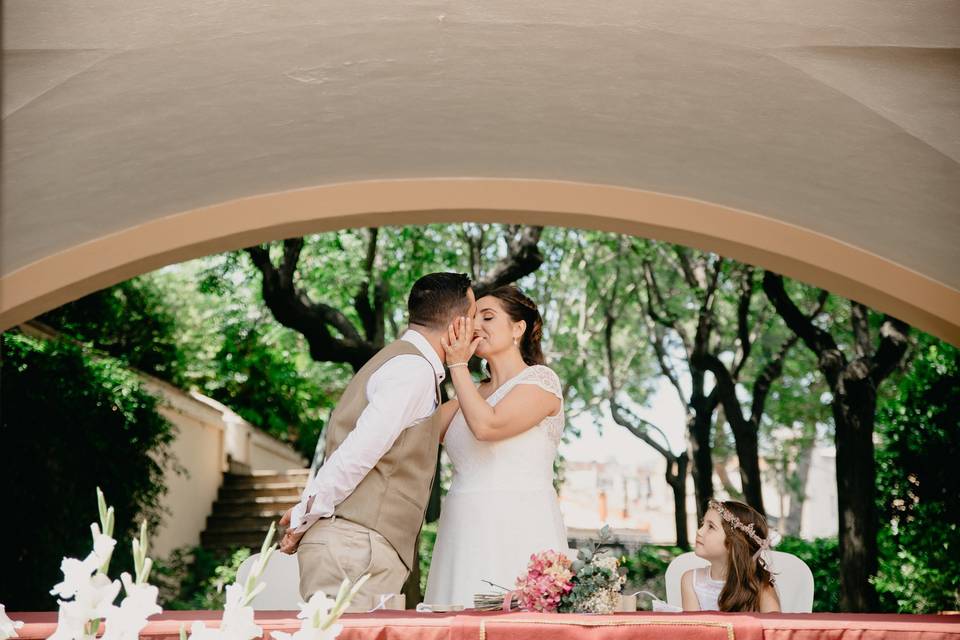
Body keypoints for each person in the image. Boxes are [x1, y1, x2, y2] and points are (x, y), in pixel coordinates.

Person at [277, 272, 476, 609]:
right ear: (457, 325)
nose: (476, 330)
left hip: (356, 547)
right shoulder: (412, 372)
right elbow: (357, 453)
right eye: (472, 320)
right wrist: (303, 517)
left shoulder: (398, 361)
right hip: (355, 549)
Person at [423, 285, 569, 607]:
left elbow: (487, 425)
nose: (475, 326)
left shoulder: (541, 382)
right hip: (462, 529)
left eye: (487, 317)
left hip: (519, 526)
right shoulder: (467, 395)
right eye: (472, 318)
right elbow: (413, 434)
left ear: (519, 328)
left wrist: (457, 365)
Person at [681, 499, 782, 612]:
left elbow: (773, 626)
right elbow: (693, 628)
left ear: (734, 543)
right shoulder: (691, 580)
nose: (699, 531)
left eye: (711, 527)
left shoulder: (761, 585)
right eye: (702, 524)